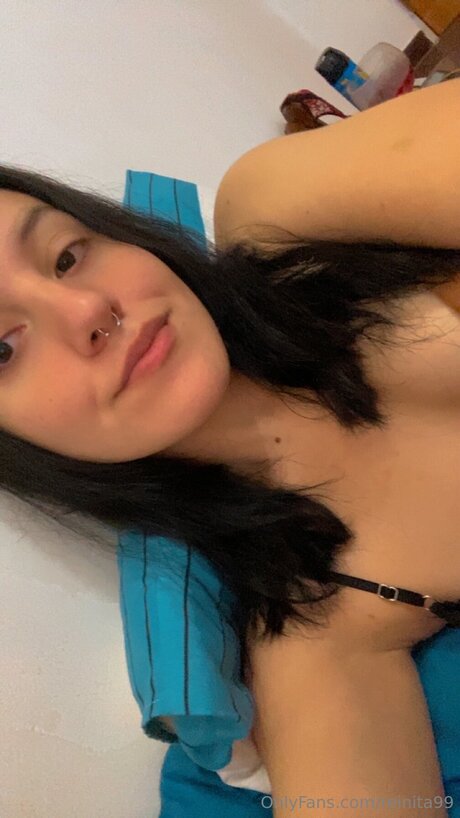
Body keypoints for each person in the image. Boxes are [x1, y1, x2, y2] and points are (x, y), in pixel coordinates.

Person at [0, 79, 458, 816]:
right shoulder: (318, 635)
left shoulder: (280, 210)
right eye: (3, 349)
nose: (86, 309)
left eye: (67, 256)